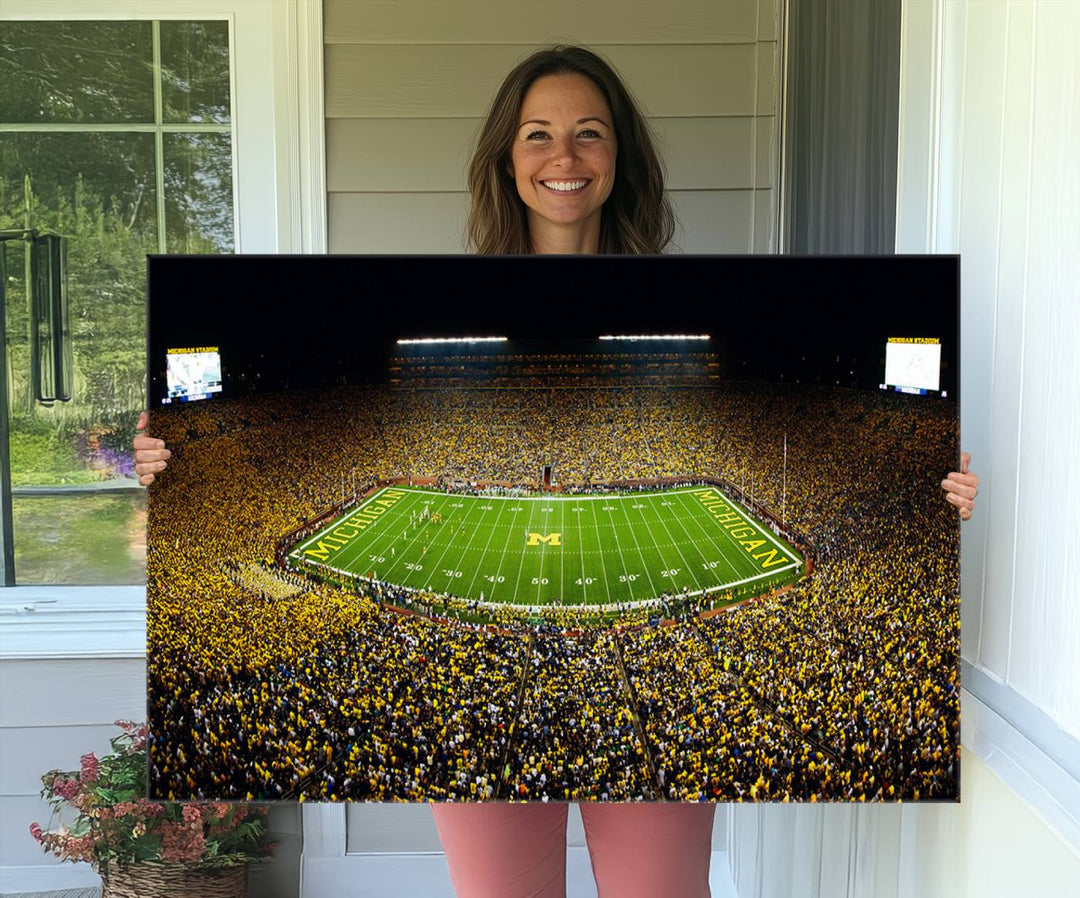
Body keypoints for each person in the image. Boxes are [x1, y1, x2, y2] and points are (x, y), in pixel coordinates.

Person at [133, 45, 978, 898]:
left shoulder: (690, 300)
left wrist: (925, 492)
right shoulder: (446, 297)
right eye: (538, 134)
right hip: (482, 725)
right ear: (507, 156)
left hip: (645, 712)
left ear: (620, 158)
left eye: (589, 134)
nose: (563, 157)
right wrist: (177, 469)